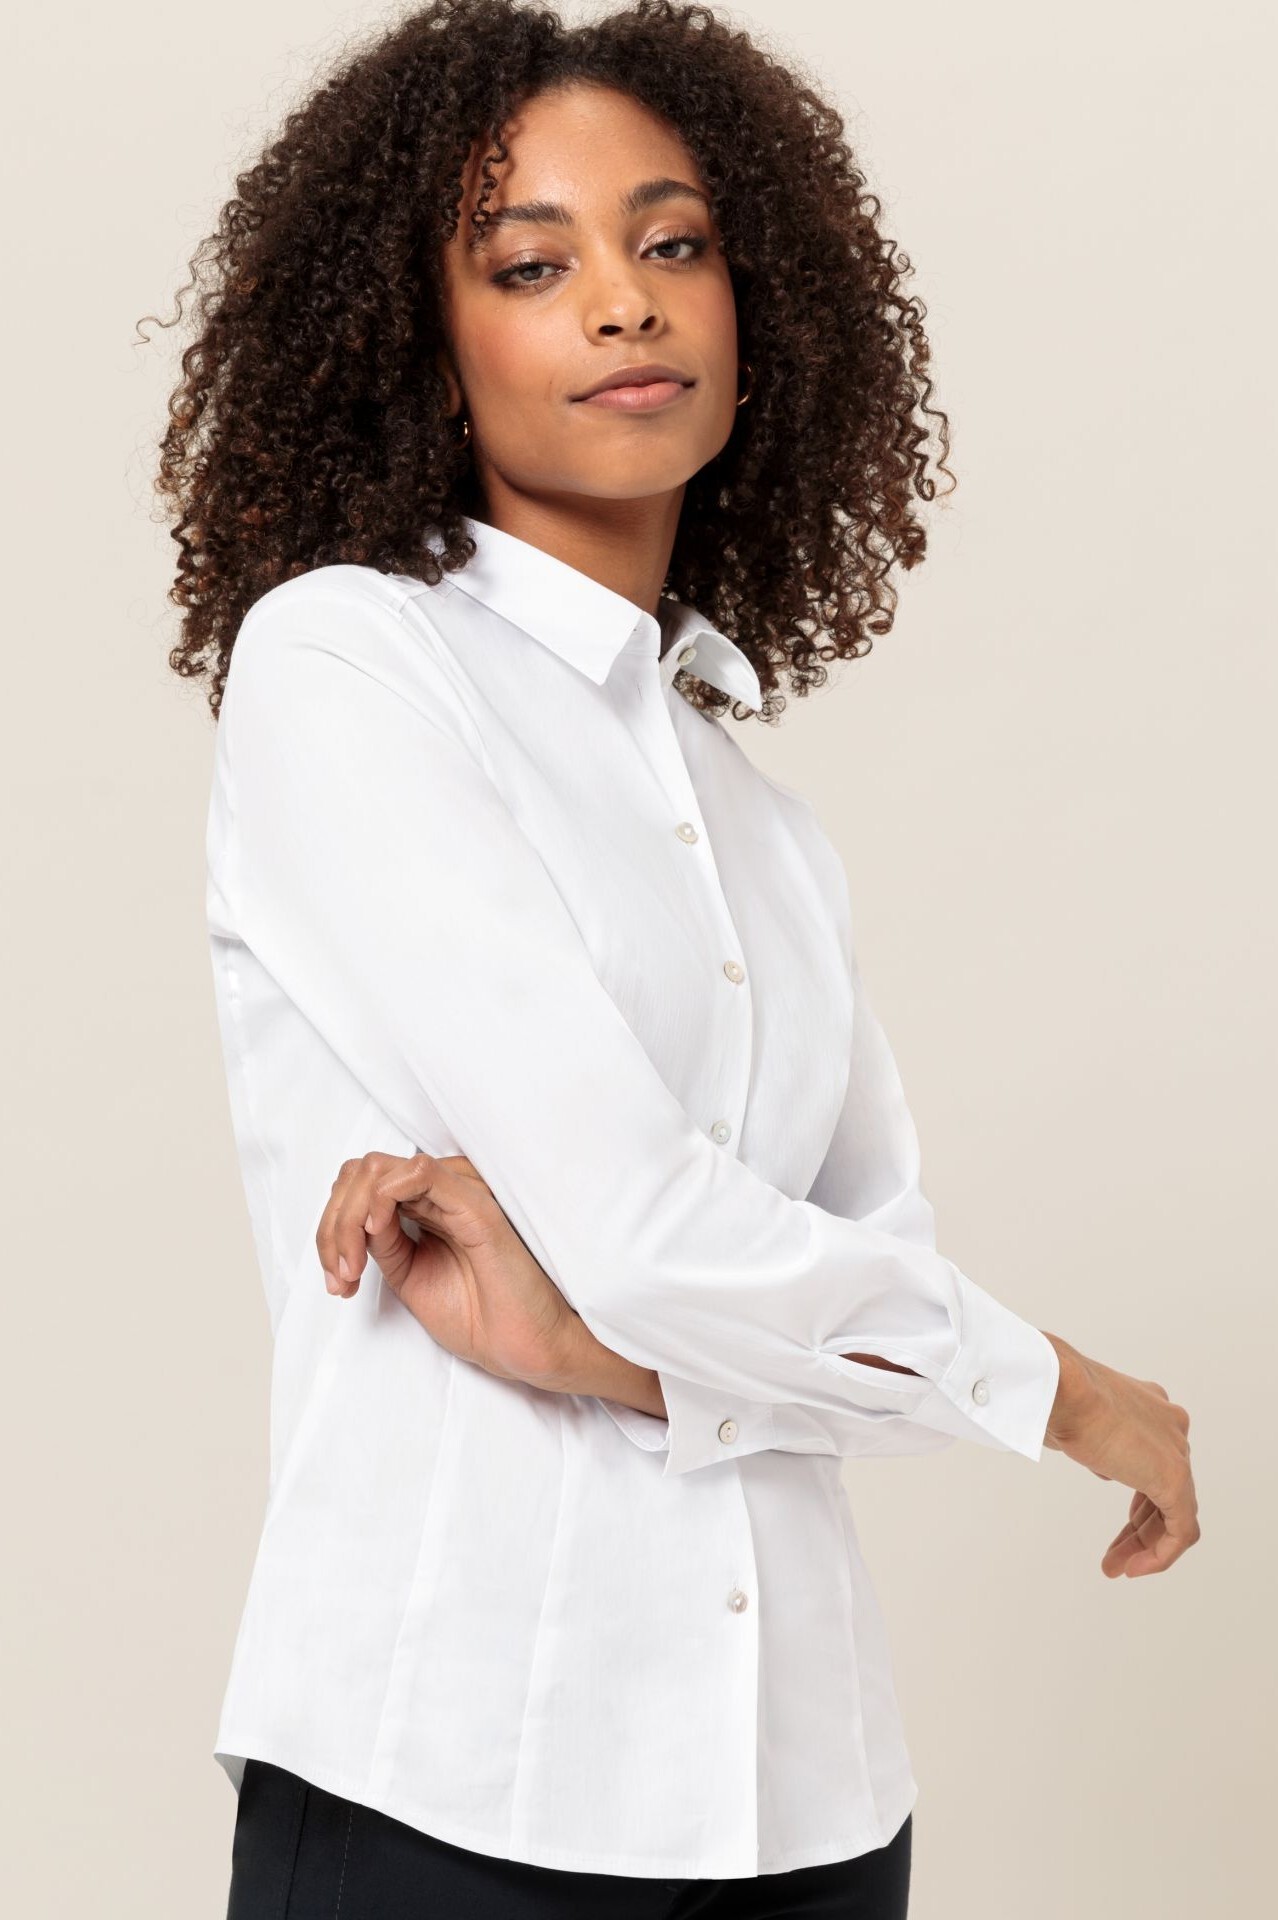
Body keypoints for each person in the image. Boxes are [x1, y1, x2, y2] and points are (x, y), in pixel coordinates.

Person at [152, 3, 1199, 1913]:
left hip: (812, 1801)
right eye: (529, 264)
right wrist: (1061, 1389)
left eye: (673, 241)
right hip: (456, 1785)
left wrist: (609, 1355)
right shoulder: (348, 664)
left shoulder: (759, 827)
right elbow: (662, 1239)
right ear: (421, 344)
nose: (624, 301)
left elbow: (838, 1283)